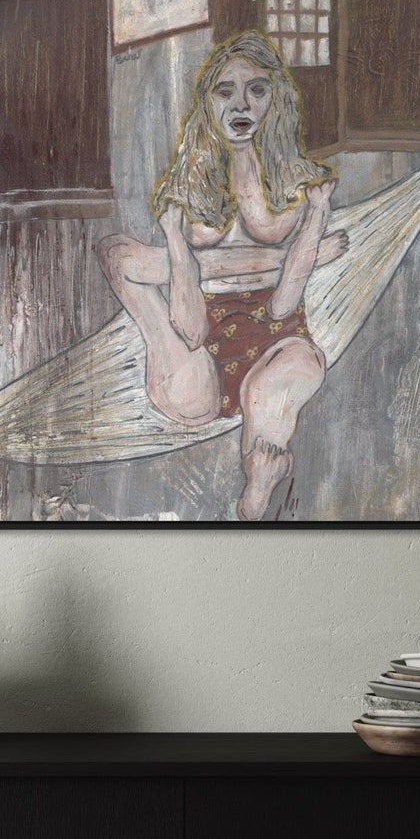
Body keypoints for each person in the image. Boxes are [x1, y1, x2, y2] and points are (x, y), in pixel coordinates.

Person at [97, 30, 347, 521]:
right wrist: (290, 257)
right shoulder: (187, 182)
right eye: (225, 90)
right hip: (198, 336)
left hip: (278, 330)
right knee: (120, 260)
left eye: (256, 88)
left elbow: (280, 306)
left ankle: (257, 485)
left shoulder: (299, 182)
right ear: (208, 100)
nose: (241, 103)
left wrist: (312, 228)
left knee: (290, 372)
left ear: (276, 97)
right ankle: (248, 452)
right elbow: (189, 324)